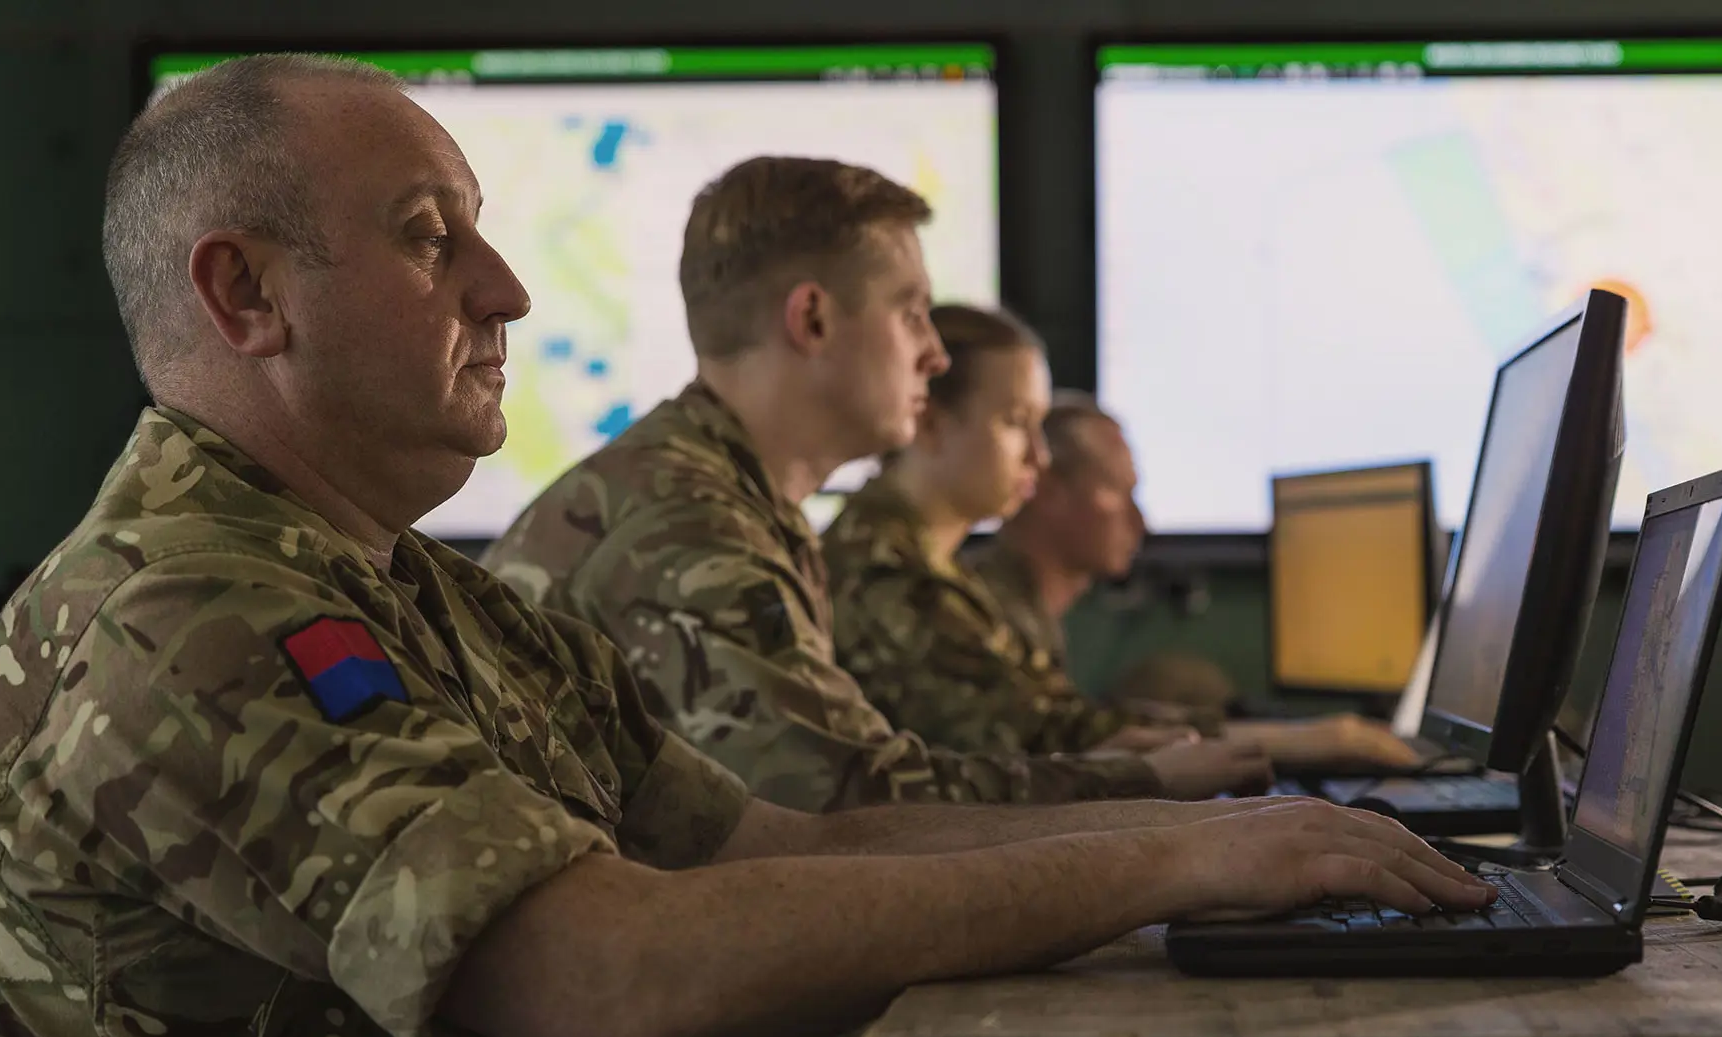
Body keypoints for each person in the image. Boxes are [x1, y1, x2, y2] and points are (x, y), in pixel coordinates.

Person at [0, 55, 1492, 1037]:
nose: (511, 288)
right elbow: (619, 980)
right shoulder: (182, 615)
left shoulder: (409, 589)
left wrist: (1245, 833)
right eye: (427, 238)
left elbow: (775, 843)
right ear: (246, 296)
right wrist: (1174, 862)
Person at [482, 156, 1274, 810]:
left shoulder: (727, 496)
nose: (934, 354)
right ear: (814, 320)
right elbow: (851, 807)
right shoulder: (686, 526)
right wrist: (1144, 785)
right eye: (911, 313)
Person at [822, 304, 1217, 760]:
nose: (1040, 456)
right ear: (929, 421)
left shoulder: (931, 562)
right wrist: (1278, 743)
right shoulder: (887, 576)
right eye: (1014, 421)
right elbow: (1033, 741)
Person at [975, 394, 1425, 772]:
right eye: (1118, 492)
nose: (1141, 522)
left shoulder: (1021, 610)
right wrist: (1321, 739)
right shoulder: (983, 614)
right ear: (1047, 488)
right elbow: (1061, 738)